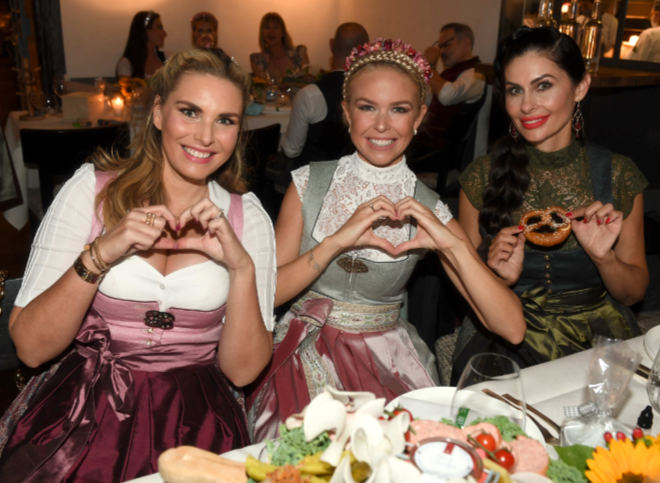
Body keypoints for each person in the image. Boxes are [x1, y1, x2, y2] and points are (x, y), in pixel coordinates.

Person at [0, 49, 276, 481]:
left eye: (225, 120)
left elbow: (242, 371)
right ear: (160, 113)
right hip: (83, 415)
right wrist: (103, 252)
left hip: (198, 425)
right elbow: (31, 347)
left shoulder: (249, 219)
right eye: (190, 112)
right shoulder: (91, 193)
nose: (206, 136)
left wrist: (241, 270)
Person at [247, 38, 525, 442]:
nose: (381, 125)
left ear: (419, 116)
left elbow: (511, 328)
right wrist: (335, 242)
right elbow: (262, 297)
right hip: (302, 353)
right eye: (367, 107)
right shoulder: (309, 183)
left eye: (399, 109)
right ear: (346, 114)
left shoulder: (429, 207)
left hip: (389, 363)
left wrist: (454, 245)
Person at [454, 27, 648, 380]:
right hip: (504, 343)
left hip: (598, 343)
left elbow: (633, 293)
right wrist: (493, 272)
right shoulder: (481, 177)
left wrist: (605, 258)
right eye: (515, 90)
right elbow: (468, 290)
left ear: (580, 87)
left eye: (543, 85)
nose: (526, 105)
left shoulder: (618, 174)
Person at [408, 23, 486, 193]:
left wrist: (429, 66)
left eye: (446, 44)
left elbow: (446, 96)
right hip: (425, 148)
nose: (442, 51)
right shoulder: (446, 75)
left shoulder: (475, 74)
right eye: (440, 45)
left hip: (437, 155)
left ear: (465, 43)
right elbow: (424, 101)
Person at [281, 22, 368, 163]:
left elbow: (291, 151)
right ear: (366, 50)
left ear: (331, 45)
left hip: (314, 179)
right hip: (358, 177)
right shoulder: (374, 95)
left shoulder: (310, 94)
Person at [250, 12, 309, 82]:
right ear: (262, 32)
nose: (271, 32)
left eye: (276, 27)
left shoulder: (299, 53)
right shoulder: (257, 60)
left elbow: (307, 81)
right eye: (267, 28)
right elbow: (263, 88)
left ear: (283, 32)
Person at [116, 10, 167, 79]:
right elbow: (126, 87)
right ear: (145, 31)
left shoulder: (167, 58)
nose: (164, 33)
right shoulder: (126, 64)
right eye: (159, 27)